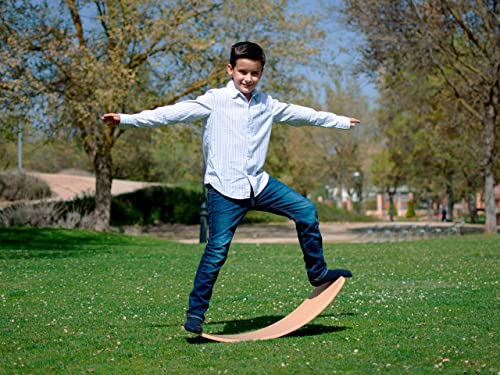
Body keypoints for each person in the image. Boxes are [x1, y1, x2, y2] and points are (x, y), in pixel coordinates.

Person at [103, 41, 360, 334]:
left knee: (306, 210)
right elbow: (171, 113)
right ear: (230, 69)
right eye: (242, 72)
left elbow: (304, 114)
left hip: (259, 184)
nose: (248, 79)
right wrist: (126, 119)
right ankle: (196, 314)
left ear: (261, 73)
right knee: (216, 251)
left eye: (255, 73)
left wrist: (339, 121)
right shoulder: (214, 100)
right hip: (224, 189)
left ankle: (318, 273)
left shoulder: (267, 104)